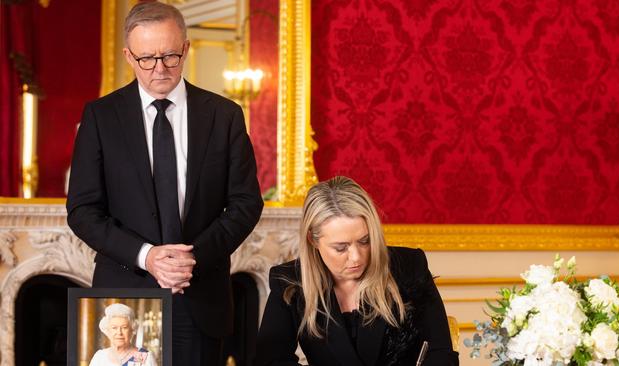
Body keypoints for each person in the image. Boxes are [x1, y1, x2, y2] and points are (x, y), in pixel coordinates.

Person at [66, 1, 263, 364]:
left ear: (186, 48)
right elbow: (82, 211)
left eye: (170, 55)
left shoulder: (224, 116)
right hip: (124, 298)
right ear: (128, 55)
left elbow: (246, 203)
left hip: (201, 297)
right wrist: (149, 257)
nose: (160, 69)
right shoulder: (100, 117)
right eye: (146, 59)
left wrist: (190, 259)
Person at [254, 176, 459, 366]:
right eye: (341, 247)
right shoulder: (290, 282)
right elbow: (271, 362)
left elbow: (441, 354)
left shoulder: (409, 266)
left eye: (365, 241)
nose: (356, 257)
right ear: (313, 240)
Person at [89, 303, 157, 366]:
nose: (119, 332)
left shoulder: (145, 356)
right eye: (114, 328)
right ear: (108, 331)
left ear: (132, 330)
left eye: (124, 327)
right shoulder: (99, 357)